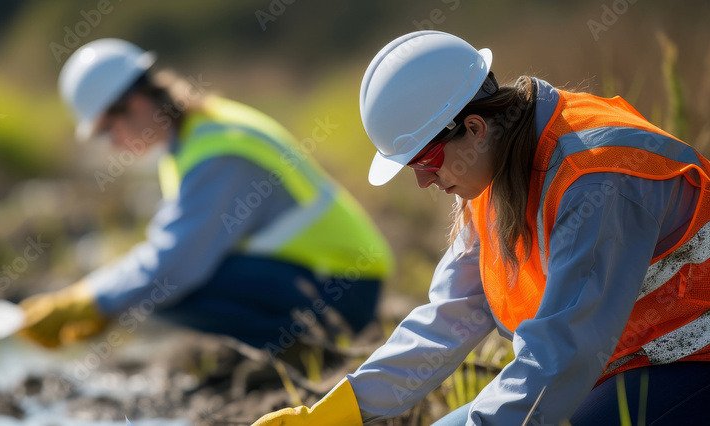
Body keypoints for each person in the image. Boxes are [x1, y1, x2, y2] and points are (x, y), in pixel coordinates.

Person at [254, 30, 710, 425]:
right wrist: (338, 411)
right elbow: (446, 321)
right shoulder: (491, 169)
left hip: (688, 363)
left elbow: (562, 354)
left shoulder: (596, 181)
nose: (423, 181)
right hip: (611, 366)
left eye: (425, 161)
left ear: (474, 127)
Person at [18, 38, 394, 361]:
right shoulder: (198, 133)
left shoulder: (217, 154)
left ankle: (310, 353)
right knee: (160, 287)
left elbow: (172, 263)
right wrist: (104, 300)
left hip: (344, 289)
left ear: (134, 104)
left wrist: (90, 299)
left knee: (168, 290)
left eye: (105, 130)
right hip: (326, 277)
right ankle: (285, 350)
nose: (112, 144)